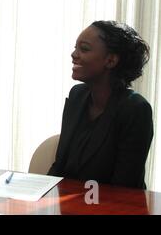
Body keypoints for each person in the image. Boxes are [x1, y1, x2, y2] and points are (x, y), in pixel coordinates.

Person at [48, 21, 153, 189]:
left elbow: (123, 188)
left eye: (84, 49)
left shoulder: (135, 110)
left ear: (110, 60)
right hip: (70, 204)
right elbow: (60, 166)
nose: (74, 54)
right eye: (75, 47)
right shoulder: (77, 95)